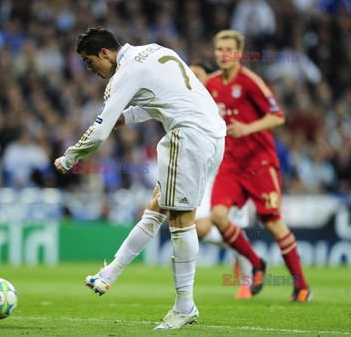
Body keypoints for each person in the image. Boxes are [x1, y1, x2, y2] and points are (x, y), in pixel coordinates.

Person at [54, 27, 227, 330]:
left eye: (88, 60)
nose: (89, 68)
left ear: (104, 53)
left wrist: (69, 157)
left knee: (181, 219)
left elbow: (98, 133)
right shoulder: (156, 50)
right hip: (213, 132)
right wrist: (129, 116)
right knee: (157, 206)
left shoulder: (124, 74)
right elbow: (167, 98)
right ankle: (109, 275)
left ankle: (185, 306)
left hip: (188, 136)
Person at [206, 30, 312, 302]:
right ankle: (256, 262)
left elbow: (278, 116)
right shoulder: (212, 84)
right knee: (218, 215)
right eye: (219, 49)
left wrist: (248, 127)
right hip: (230, 163)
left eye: (229, 49)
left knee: (274, 225)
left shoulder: (251, 82)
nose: (223, 54)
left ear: (239, 53)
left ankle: (301, 286)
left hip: (260, 164)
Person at [190, 62, 253, 300]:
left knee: (230, 225)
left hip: (232, 171)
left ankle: (246, 283)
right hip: (205, 174)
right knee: (200, 227)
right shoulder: (188, 101)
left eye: (197, 74)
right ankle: (238, 249)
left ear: (210, 78)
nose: (192, 78)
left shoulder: (227, 101)